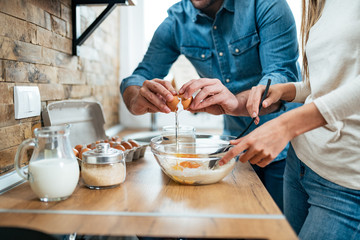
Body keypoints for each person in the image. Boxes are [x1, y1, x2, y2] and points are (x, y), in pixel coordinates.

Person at [120, 0, 301, 211]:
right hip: (235, 151)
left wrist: (235, 103)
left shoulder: (266, 5)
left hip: (287, 148)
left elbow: (282, 78)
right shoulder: (177, 22)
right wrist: (135, 100)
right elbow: (139, 76)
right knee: (241, 226)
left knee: (279, 230)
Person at [219, 0, 360, 239]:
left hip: (345, 181)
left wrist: (286, 124)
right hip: (301, 165)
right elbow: (334, 79)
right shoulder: (323, 4)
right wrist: (287, 90)